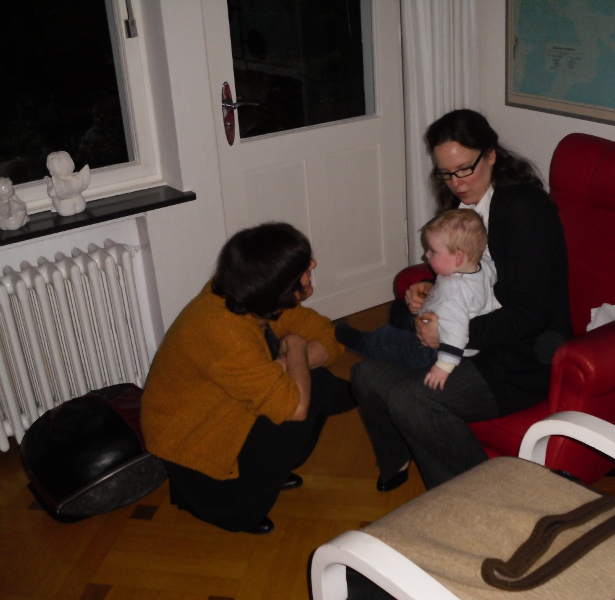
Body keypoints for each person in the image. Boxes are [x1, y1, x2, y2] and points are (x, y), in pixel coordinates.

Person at [351, 109, 573, 492]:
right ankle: (398, 459)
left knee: (413, 400)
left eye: (465, 169)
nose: (456, 183)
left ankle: (482, 499)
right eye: (446, 174)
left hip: (521, 356)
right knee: (365, 375)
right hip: (471, 339)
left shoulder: (525, 210)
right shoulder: (464, 207)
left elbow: (529, 315)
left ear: (491, 155)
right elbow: (466, 274)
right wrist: (429, 288)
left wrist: (454, 335)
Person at [140, 222, 353, 534]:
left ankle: (355, 395)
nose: (314, 265)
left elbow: (328, 335)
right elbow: (295, 407)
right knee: (306, 394)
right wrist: (295, 346)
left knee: (313, 383)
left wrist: (291, 362)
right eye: (304, 266)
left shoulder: (251, 295)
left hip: (220, 414)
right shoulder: (223, 329)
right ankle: (226, 507)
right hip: (197, 449)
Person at [336, 209, 496, 391]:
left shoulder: (453, 294)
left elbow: (456, 332)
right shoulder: (482, 268)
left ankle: (357, 340)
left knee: (386, 341)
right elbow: (493, 268)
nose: (426, 255)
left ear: (458, 258)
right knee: (399, 312)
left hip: (432, 350)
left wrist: (443, 367)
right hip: (435, 326)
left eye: (433, 251)